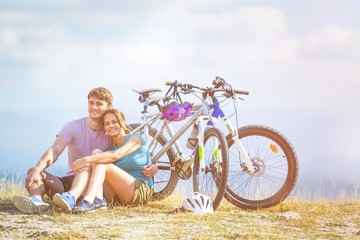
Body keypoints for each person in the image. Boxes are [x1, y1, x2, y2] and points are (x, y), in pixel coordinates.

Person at [13, 87, 157, 213]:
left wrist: (155, 167)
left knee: (97, 157)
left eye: (99, 103)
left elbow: (127, 154)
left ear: (109, 107)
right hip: (74, 180)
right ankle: (37, 201)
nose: (94, 107)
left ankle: (87, 199)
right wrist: (38, 169)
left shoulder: (117, 135)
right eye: (91, 103)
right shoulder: (75, 127)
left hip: (102, 186)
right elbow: (55, 150)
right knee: (35, 171)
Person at [53, 108, 153, 213]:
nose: (111, 126)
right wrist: (86, 165)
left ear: (122, 122)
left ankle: (89, 200)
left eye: (114, 122)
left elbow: (116, 155)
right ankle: (88, 198)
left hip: (138, 190)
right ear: (104, 128)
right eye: (107, 123)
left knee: (101, 162)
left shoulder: (135, 139)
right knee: (97, 152)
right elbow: (106, 157)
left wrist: (86, 159)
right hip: (117, 196)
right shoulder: (109, 150)